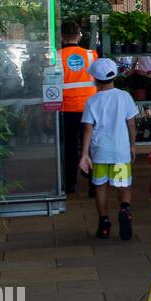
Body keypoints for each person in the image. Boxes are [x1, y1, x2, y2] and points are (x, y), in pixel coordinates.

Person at [78, 58, 138, 240]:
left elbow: (88, 128)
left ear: (94, 79)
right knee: (123, 185)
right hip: (121, 152)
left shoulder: (92, 101)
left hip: (101, 152)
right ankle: (125, 208)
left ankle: (104, 223)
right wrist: (132, 145)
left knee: (101, 186)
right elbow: (131, 124)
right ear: (115, 75)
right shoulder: (124, 97)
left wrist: (84, 154)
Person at [58, 21, 98, 194]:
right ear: (80, 35)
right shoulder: (91, 55)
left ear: (61, 37)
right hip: (90, 108)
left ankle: (70, 184)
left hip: (66, 109)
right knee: (90, 146)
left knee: (70, 147)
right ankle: (93, 184)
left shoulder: (56, 56)